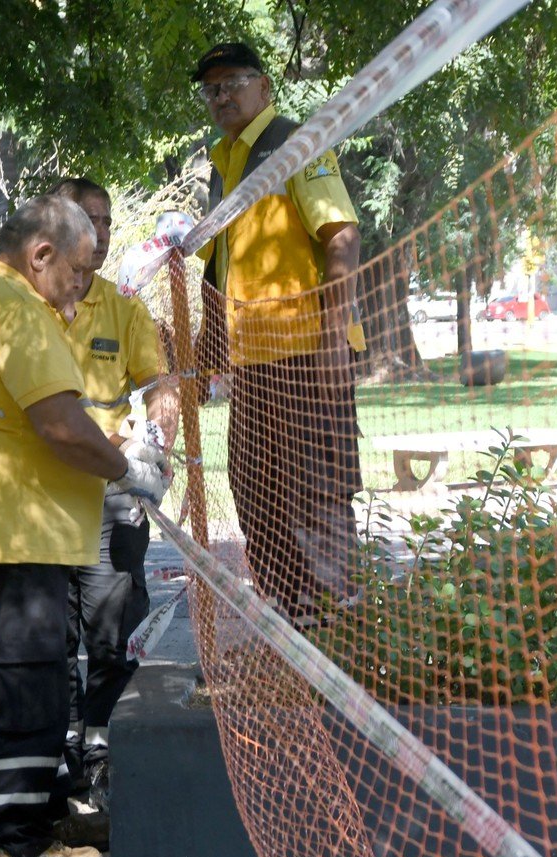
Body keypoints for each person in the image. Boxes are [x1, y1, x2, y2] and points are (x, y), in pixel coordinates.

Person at [0, 195, 171, 857]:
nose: (81, 290)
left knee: (31, 680)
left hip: (10, 526)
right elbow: (62, 425)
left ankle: (29, 821)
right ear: (40, 256)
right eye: (76, 272)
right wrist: (127, 469)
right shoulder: (13, 311)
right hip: (11, 531)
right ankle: (17, 841)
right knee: (24, 686)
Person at [192, 42, 364, 625]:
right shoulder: (223, 163)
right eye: (210, 89)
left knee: (316, 493)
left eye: (231, 83)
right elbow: (222, 270)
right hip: (252, 365)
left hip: (308, 354)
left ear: (264, 87)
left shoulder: (296, 142)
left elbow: (340, 237)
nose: (220, 97)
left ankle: (339, 627)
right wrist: (204, 358)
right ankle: (288, 616)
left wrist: (334, 344)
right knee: (255, 490)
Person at [47, 177, 179, 802]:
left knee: (114, 629)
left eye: (105, 220)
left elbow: (161, 389)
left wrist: (151, 454)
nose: (98, 233)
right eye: (85, 219)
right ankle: (56, 748)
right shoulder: (26, 305)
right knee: (49, 634)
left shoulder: (125, 311)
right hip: (40, 503)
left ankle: (96, 740)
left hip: (111, 497)